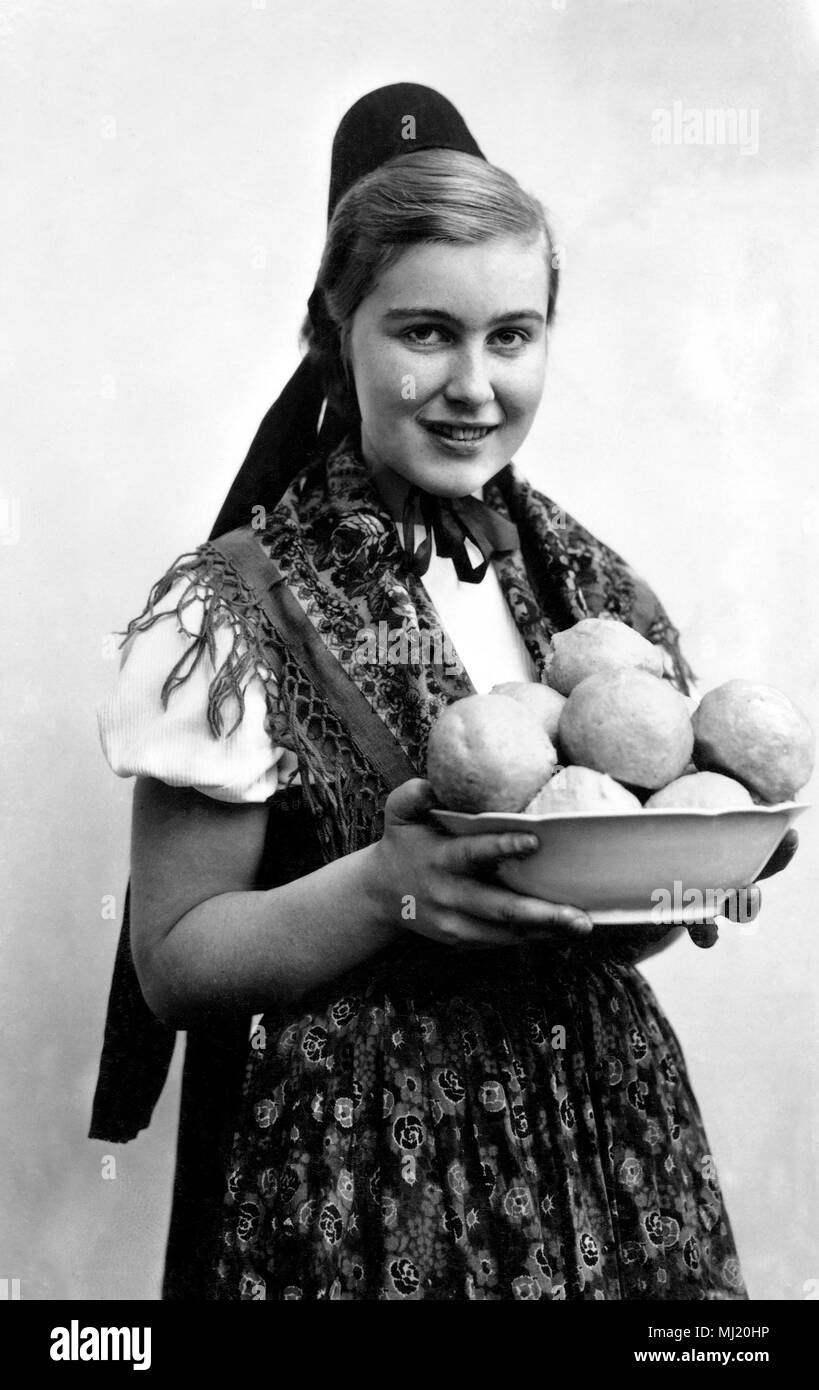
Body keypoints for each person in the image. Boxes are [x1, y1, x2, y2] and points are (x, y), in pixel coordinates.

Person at [91, 84, 796, 1301]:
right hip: (364, 1188)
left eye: (512, 335)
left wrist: (697, 866)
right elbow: (175, 961)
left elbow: (610, 876)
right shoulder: (229, 611)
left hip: (611, 1157)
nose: (475, 383)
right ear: (335, 328)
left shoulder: (593, 591)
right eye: (425, 332)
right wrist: (386, 885)